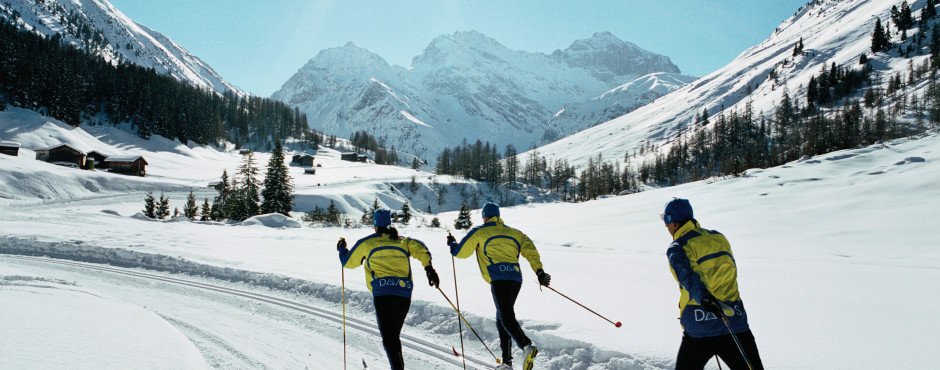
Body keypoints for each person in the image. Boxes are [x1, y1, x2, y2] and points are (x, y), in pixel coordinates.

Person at [662, 198, 764, 370]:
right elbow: (728, 272)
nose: (666, 226)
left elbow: (688, 278)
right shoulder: (718, 237)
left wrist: (704, 298)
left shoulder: (678, 247)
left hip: (699, 330)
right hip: (735, 322)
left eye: (666, 220)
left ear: (673, 221)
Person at [448, 203, 549, 370]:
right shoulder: (515, 233)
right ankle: (507, 362)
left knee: (506, 317)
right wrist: (539, 272)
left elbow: (460, 253)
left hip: (498, 278)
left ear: (485, 217)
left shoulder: (480, 231)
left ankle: (526, 346)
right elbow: (530, 251)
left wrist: (452, 244)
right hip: (515, 279)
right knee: (502, 316)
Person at [338, 208, 440, 370]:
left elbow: (348, 262)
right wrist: (429, 268)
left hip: (383, 295)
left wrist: (342, 249)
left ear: (375, 225)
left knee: (389, 339)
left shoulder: (367, 243)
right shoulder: (403, 241)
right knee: (393, 337)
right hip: (403, 295)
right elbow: (421, 249)